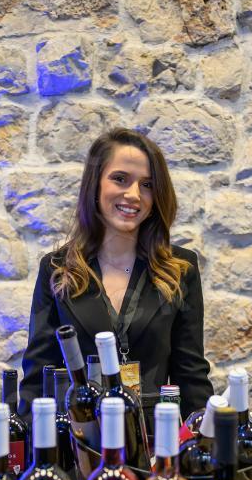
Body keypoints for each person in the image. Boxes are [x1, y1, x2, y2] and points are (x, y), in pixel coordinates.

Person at [18, 127, 214, 428]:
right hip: (80, 441)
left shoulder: (180, 269)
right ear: (95, 184)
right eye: (120, 179)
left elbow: (191, 376)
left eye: (147, 184)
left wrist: (204, 444)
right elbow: (37, 380)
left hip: (155, 442)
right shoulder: (57, 269)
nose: (133, 195)